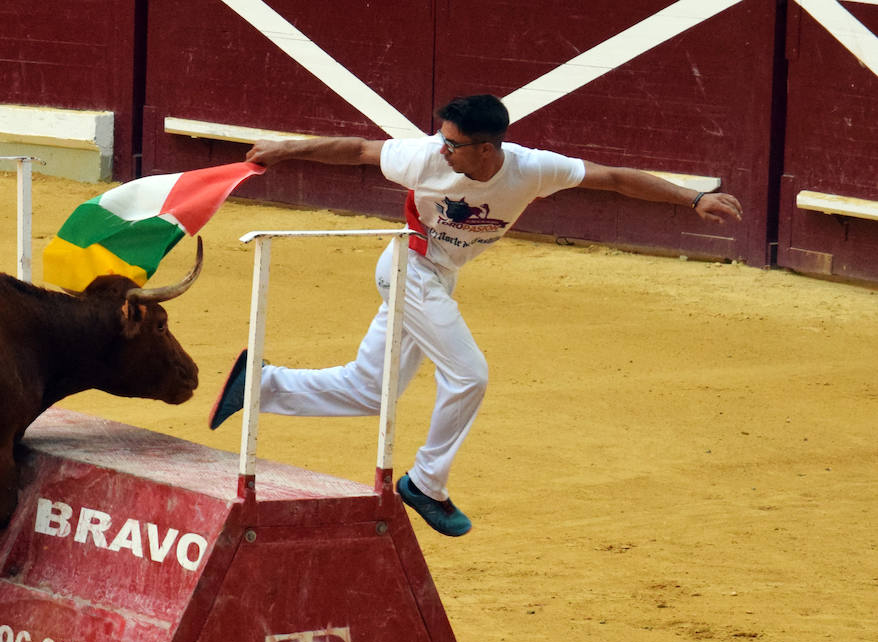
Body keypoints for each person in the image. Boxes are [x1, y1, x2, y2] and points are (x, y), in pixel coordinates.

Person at [207, 94, 743, 536]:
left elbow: (615, 178)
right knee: (469, 375)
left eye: (453, 144)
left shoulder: (532, 169)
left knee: (371, 391)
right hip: (408, 267)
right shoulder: (424, 158)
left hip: (438, 277)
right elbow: (357, 149)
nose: (442, 150)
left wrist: (692, 199)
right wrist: (288, 148)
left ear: (487, 149)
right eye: (441, 139)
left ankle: (258, 385)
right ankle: (426, 484)